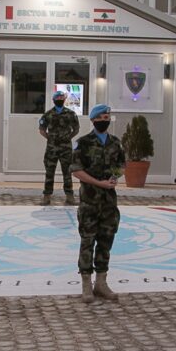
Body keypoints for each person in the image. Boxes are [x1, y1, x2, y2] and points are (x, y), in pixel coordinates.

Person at [70, 103, 126, 303]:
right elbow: (76, 170)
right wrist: (98, 183)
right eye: (101, 118)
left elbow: (121, 164)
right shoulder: (82, 143)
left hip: (109, 203)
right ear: (93, 120)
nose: (105, 121)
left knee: (106, 242)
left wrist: (114, 178)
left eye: (107, 118)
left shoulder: (115, 142)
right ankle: (87, 285)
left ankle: (101, 283)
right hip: (89, 202)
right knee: (87, 242)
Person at [38, 90, 80, 205]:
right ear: (54, 100)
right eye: (58, 98)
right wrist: (50, 138)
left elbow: (76, 129)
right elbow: (42, 129)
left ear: (64, 100)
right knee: (49, 172)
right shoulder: (48, 114)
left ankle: (70, 196)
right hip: (52, 148)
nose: (60, 100)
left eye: (62, 98)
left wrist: (67, 138)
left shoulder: (71, 114)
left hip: (66, 148)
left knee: (67, 172)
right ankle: (47, 196)